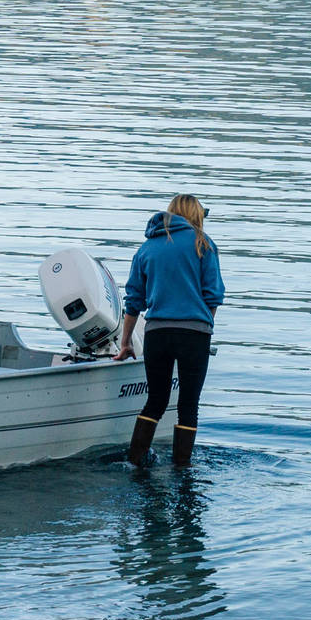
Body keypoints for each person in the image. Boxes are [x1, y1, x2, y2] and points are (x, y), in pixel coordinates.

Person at [117, 194, 224, 468]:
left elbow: (133, 302)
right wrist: (204, 325)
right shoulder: (204, 244)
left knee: (155, 401)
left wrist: (126, 341)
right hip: (194, 336)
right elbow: (213, 297)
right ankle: (182, 469)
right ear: (195, 215)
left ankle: (135, 461)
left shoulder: (147, 249)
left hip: (157, 335)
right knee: (188, 407)